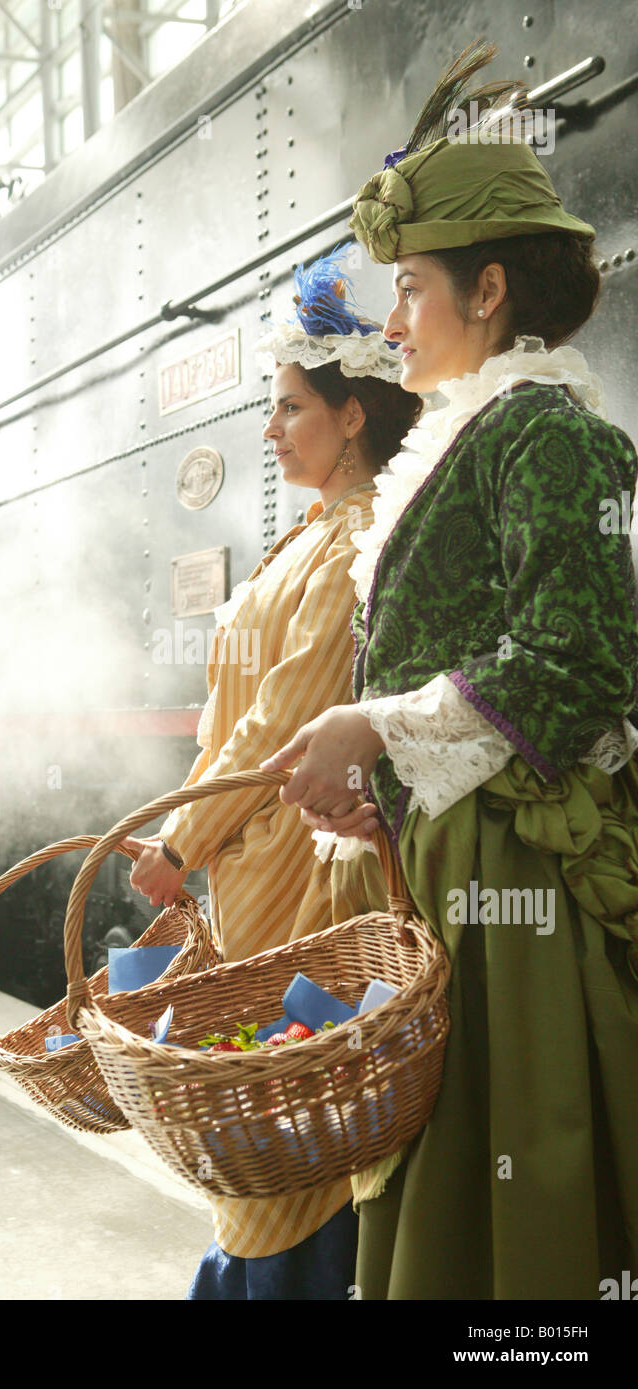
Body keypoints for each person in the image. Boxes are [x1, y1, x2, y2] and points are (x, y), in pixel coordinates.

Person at [262, 42, 638, 1299]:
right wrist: (387, 779)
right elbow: (470, 659)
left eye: (411, 288)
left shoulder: (552, 431)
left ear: (486, 291)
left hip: (517, 878)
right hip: (459, 854)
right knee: (463, 1168)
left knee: (515, 1159)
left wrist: (371, 726)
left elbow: (577, 660)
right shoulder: (491, 428)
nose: (391, 320)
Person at [127, 247, 422, 1296]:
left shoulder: (350, 545)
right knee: (266, 1118)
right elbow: (236, 720)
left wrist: (180, 843)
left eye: (289, 407)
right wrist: (184, 837)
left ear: (352, 417)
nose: (268, 429)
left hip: (293, 868)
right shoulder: (310, 535)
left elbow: (280, 727)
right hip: (250, 865)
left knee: (287, 1121)